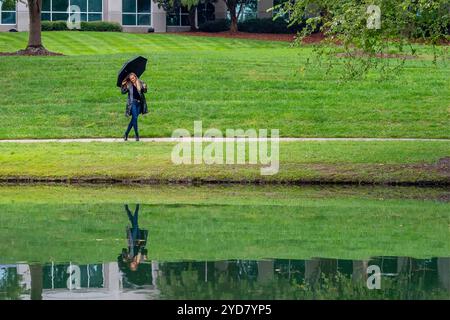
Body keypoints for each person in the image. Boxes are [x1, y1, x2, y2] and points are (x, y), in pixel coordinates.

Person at [121, 73, 148, 141]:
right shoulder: (129, 84)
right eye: (131, 79)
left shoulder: (140, 82)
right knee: (135, 117)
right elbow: (123, 92)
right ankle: (137, 135)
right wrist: (123, 84)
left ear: (135, 77)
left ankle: (126, 133)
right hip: (132, 103)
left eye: (133, 78)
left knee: (134, 118)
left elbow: (144, 91)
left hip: (139, 103)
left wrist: (145, 87)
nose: (132, 80)